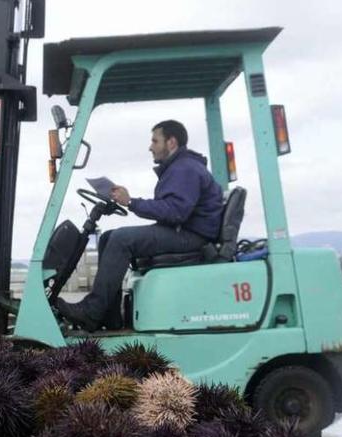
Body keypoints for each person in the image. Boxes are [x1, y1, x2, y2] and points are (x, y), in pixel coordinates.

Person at [57, 120, 223, 331]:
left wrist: (131, 202)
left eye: (155, 141)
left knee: (121, 239)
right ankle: (108, 315)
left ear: (171, 142)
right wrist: (129, 201)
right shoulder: (180, 168)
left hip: (190, 236)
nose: (150, 146)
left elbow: (175, 211)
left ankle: (91, 312)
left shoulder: (185, 169)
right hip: (182, 231)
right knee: (109, 236)